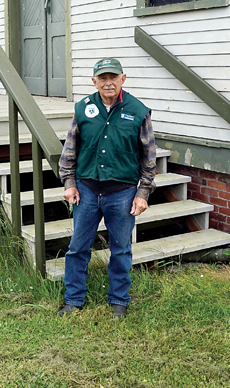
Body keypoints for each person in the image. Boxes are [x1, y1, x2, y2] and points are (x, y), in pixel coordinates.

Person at [57, 57, 156, 319]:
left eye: (113, 77)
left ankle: (119, 300)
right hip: (86, 191)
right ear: (94, 81)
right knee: (78, 247)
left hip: (122, 194)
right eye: (102, 78)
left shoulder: (138, 111)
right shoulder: (84, 108)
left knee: (121, 249)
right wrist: (69, 183)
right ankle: (74, 299)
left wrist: (142, 193)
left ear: (123, 79)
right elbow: (69, 151)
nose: (108, 82)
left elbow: (149, 158)